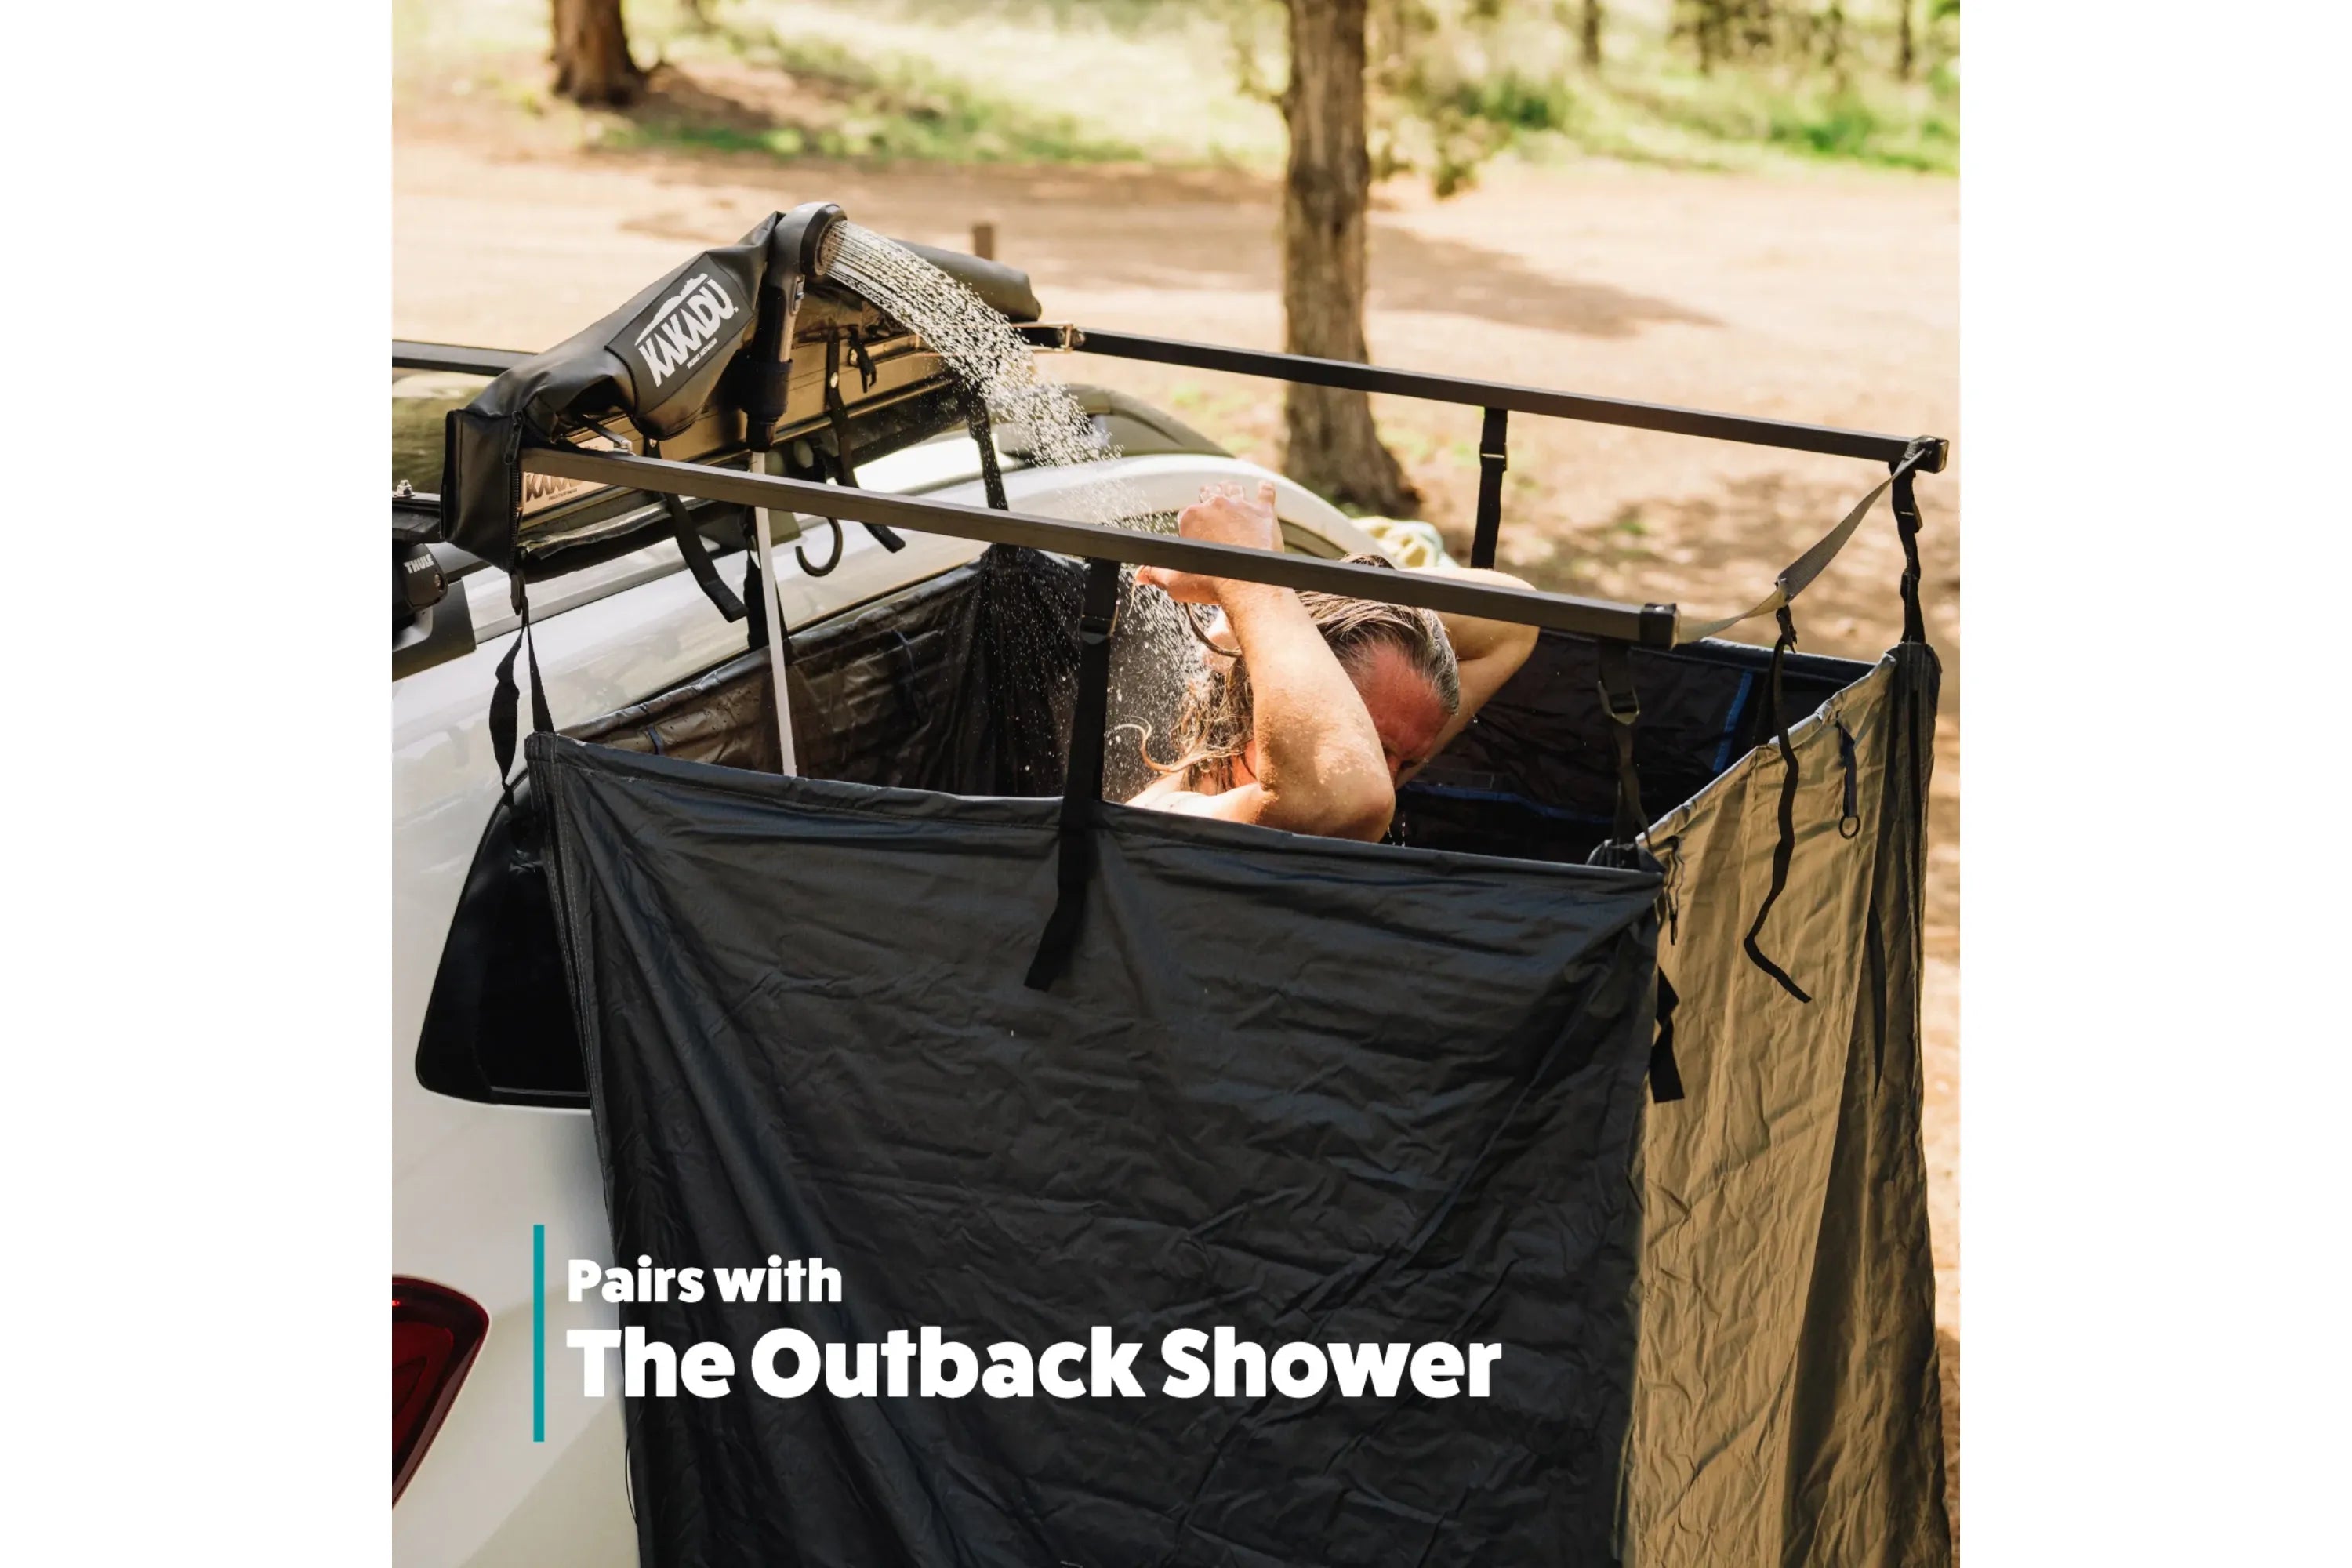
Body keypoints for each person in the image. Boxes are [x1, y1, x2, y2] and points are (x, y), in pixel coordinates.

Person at [1126, 481, 1538, 842]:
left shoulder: (1365, 774)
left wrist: (1270, 605)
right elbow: (1353, 800)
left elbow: (1512, 618)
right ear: (1266, 693)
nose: (1389, 778)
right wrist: (1251, 587)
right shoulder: (1172, 810)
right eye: (1372, 743)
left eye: (1407, 763)